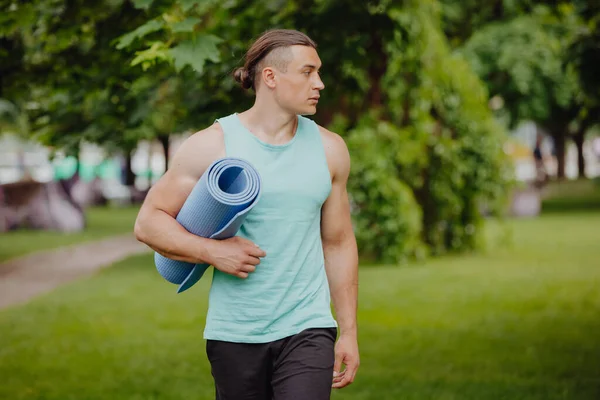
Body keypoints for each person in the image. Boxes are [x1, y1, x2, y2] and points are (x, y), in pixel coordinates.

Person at [134, 28, 359, 400]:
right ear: (270, 77)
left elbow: (337, 242)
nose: (319, 83)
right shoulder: (211, 145)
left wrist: (348, 331)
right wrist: (212, 252)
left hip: (309, 327)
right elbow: (148, 222)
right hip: (235, 332)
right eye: (307, 72)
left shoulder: (330, 149)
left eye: (319, 72)